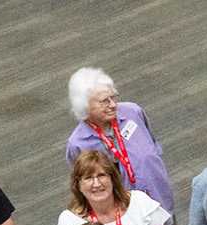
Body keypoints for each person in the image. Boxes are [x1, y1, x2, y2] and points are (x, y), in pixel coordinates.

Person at [66, 67, 175, 213]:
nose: (112, 105)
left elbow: (153, 144)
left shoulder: (133, 112)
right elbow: (82, 185)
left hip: (159, 199)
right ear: (85, 106)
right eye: (104, 101)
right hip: (123, 214)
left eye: (113, 97)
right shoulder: (79, 144)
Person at [52, 151, 173, 225]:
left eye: (101, 175)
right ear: (78, 185)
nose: (97, 184)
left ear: (113, 179)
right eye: (88, 178)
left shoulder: (140, 203)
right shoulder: (70, 221)